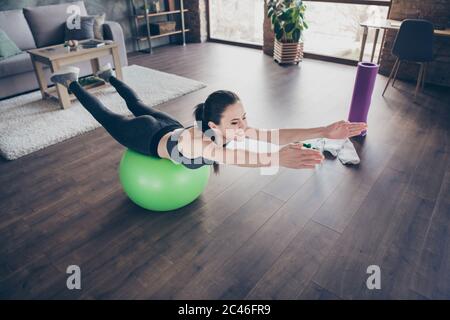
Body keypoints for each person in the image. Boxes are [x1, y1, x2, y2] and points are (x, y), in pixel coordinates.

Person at [50, 64, 367, 173]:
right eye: (235, 123)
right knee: (107, 116)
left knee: (137, 102)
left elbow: (274, 134)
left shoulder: (222, 129)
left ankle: (108, 76)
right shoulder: (200, 141)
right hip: (148, 138)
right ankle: (72, 82)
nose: (243, 127)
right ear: (213, 126)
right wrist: (275, 160)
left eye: (243, 118)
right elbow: (231, 157)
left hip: (167, 128)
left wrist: (325, 129)